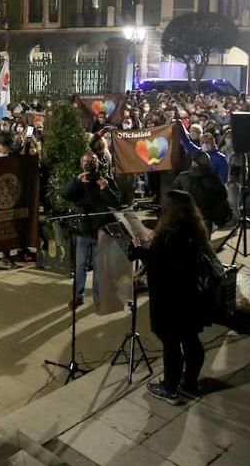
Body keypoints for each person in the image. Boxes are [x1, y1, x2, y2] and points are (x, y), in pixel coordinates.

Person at [131, 190, 212, 405]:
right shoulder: (192, 228)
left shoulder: (171, 235)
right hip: (191, 294)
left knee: (171, 342)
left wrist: (139, 250)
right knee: (190, 338)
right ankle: (190, 383)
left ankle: (170, 389)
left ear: (170, 210)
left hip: (170, 297)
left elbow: (159, 264)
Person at [58, 152, 119, 308]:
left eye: (92, 161)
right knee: (80, 266)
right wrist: (77, 182)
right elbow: (63, 195)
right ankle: (77, 295)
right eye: (85, 161)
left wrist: (104, 188)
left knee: (99, 266)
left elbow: (115, 202)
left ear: (97, 163)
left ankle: (97, 296)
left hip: (100, 231)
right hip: (82, 231)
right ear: (81, 163)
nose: (89, 164)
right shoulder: (78, 180)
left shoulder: (106, 179)